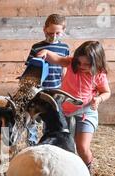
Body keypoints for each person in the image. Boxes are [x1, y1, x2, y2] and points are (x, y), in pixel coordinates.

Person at [36, 41, 111, 172]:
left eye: (86, 64)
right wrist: (46, 53)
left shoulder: (99, 74)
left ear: (96, 63)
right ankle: (61, 170)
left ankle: (87, 171)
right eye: (79, 62)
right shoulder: (71, 63)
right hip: (64, 111)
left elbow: (106, 92)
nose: (81, 66)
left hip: (86, 112)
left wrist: (99, 98)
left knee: (82, 147)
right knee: (60, 144)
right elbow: (57, 59)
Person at [25, 14, 70, 146]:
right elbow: (30, 66)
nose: (54, 36)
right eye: (50, 33)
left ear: (63, 31)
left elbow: (65, 67)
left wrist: (63, 83)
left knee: (51, 118)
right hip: (38, 89)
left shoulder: (64, 48)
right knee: (32, 118)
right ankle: (31, 144)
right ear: (44, 29)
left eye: (58, 33)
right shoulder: (36, 47)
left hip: (55, 89)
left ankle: (47, 143)